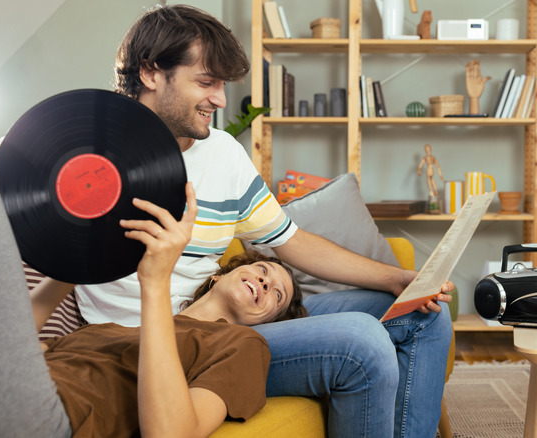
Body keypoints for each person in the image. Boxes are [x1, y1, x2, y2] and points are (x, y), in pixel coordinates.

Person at [71, 4, 453, 437]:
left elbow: (290, 240)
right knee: (360, 342)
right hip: (155, 342)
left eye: (222, 85)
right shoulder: (82, 152)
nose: (219, 99)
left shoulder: (223, 152)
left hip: (226, 318)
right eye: (205, 82)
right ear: (151, 73)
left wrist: (395, 280)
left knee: (423, 313)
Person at [0, 181, 306, 437]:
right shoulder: (112, 329)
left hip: (58, 414)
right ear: (218, 276)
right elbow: (13, 347)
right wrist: (75, 267)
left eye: (276, 296)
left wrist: (155, 280)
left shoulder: (243, 345)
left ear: (265, 321)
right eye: (262, 271)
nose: (265, 284)